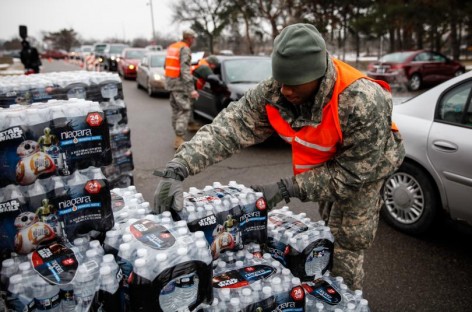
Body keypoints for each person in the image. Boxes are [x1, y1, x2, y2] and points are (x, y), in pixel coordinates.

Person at [154, 23, 405, 290]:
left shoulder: (362, 100)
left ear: (318, 76)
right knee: (326, 232)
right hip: (324, 163)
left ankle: (346, 299)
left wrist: (288, 187)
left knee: (347, 241)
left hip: (365, 167)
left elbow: (353, 174)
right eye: (281, 80)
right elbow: (230, 127)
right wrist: (178, 166)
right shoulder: (276, 91)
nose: (285, 90)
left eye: (294, 83)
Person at [165, 29, 200, 149]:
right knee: (184, 110)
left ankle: (180, 132)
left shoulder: (173, 47)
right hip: (180, 85)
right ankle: (179, 139)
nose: (194, 40)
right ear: (189, 38)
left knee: (176, 110)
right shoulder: (185, 49)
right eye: (193, 38)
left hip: (171, 83)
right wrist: (191, 89)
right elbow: (185, 70)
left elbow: (166, 65)